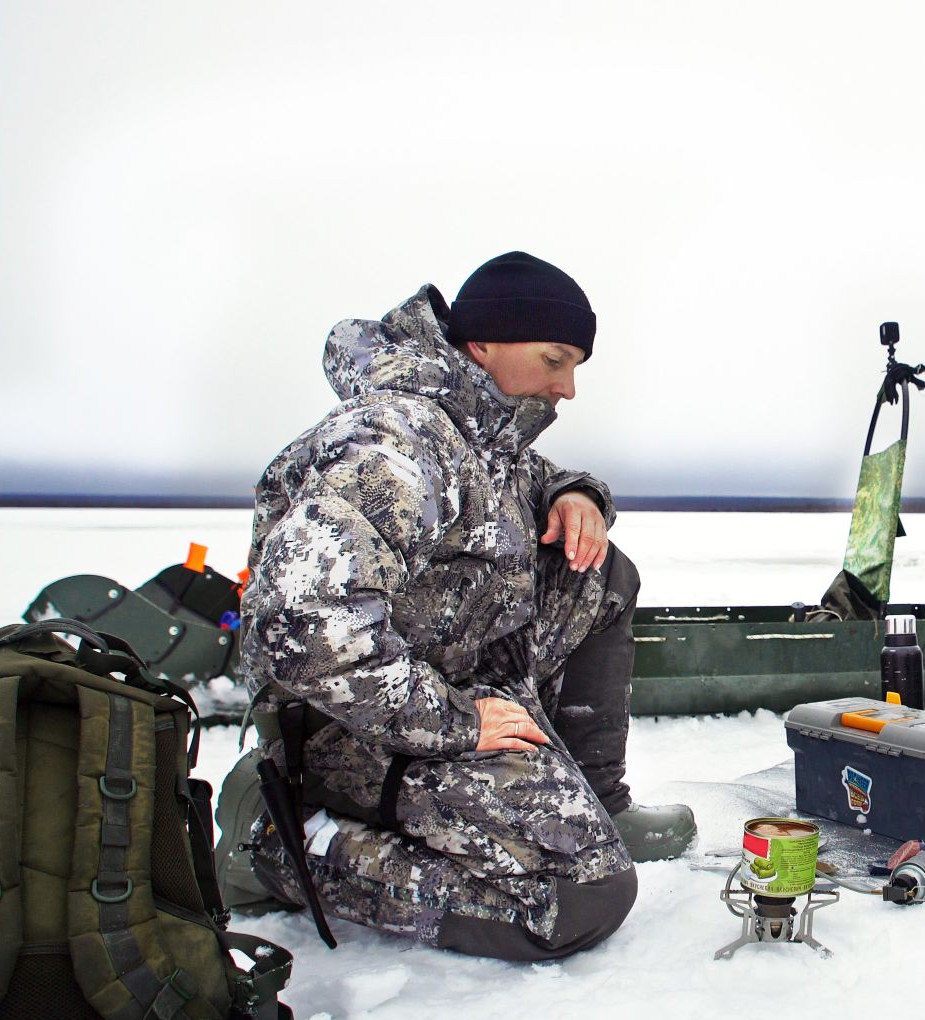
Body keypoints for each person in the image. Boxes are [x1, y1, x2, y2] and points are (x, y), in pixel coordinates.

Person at [238, 251, 695, 962]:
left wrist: (576, 495)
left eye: (575, 366)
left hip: (452, 679)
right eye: (555, 360)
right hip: (354, 726)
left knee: (601, 574)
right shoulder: (394, 442)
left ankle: (601, 800)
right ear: (483, 344)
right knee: (579, 897)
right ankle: (282, 844)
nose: (567, 388)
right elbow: (304, 627)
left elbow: (527, 476)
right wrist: (458, 723)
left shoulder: (480, 431)